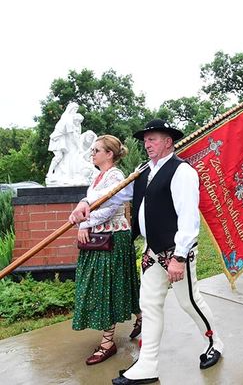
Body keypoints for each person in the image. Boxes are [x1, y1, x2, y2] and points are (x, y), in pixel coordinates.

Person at [70, 119, 224, 385]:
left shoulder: (182, 172)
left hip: (176, 252)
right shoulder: (143, 171)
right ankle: (147, 364)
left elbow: (189, 219)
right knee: (150, 306)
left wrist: (179, 257)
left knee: (189, 301)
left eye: (153, 139)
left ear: (168, 141)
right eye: (146, 139)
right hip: (152, 251)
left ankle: (214, 342)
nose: (147, 143)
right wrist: (85, 203)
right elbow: (113, 194)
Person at [72, 135, 141, 365]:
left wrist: (84, 223)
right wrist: (82, 203)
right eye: (93, 150)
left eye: (96, 150)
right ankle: (142, 317)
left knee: (107, 287)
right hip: (98, 237)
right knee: (122, 284)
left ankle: (107, 343)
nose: (92, 154)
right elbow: (91, 200)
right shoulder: (97, 175)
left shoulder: (116, 176)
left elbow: (109, 209)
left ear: (109, 154)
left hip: (112, 237)